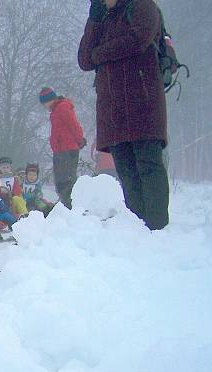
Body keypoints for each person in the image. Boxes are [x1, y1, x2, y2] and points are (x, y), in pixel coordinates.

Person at [78, 0, 168, 230]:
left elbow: (138, 40)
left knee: (149, 165)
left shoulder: (142, 5)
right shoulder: (102, 18)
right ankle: (138, 227)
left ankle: (157, 227)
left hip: (143, 104)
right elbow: (84, 60)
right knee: (127, 172)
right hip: (112, 111)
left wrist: (99, 53)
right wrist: (94, 20)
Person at [39, 87, 86, 210]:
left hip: (67, 150)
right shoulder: (55, 111)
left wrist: (79, 139)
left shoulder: (63, 108)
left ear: (50, 100)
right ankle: (66, 204)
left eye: (45, 103)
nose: (45, 106)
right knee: (61, 180)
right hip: (60, 151)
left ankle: (70, 206)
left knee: (66, 181)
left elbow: (74, 124)